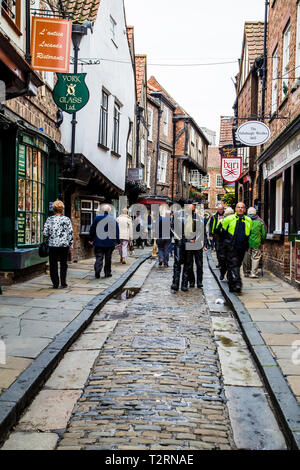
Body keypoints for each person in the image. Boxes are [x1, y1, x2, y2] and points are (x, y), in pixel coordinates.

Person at [219, 202, 252, 293]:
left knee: (235, 266)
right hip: (230, 247)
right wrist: (223, 247)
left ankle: (231, 285)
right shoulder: (228, 219)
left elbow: (249, 233)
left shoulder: (248, 220)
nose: (240, 209)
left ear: (245, 209)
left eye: (242, 207)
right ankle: (238, 283)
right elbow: (222, 234)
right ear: (235, 209)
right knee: (234, 264)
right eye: (238, 207)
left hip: (242, 247)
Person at [43, 200, 73, 289]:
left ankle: (55, 283)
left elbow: (45, 233)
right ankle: (63, 283)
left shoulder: (49, 219)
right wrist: (71, 245)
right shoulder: (66, 219)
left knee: (53, 264)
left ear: (54, 209)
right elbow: (70, 233)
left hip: (53, 245)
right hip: (64, 245)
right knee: (64, 264)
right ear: (62, 209)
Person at [88, 204, 119, 278]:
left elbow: (92, 229)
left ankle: (97, 271)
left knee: (99, 256)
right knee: (108, 258)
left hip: (98, 242)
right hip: (110, 242)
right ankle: (107, 273)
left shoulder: (97, 218)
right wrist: (118, 241)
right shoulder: (112, 219)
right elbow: (116, 231)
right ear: (109, 211)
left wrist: (90, 239)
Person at [189, 202, 208, 289]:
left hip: (198, 244)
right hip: (189, 244)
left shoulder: (199, 219)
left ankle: (199, 281)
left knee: (199, 264)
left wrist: (204, 243)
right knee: (190, 264)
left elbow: (203, 232)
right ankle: (192, 281)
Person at [243, 207, 266, 278]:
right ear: (255, 213)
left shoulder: (244, 220)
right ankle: (253, 273)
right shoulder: (260, 221)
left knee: (246, 256)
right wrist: (262, 241)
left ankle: (246, 272)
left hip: (246, 242)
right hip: (256, 242)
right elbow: (264, 233)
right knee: (255, 257)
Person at [214, 207, 234, 280]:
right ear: (226, 215)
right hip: (222, 245)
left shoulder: (235, 222)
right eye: (230, 214)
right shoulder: (221, 221)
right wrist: (220, 225)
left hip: (231, 246)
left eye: (232, 214)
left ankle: (229, 276)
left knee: (230, 262)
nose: (232, 215)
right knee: (223, 262)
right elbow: (216, 231)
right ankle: (222, 273)